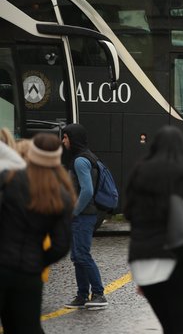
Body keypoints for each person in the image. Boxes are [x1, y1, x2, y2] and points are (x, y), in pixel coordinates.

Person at [124, 126, 183, 334]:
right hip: (178, 261)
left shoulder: (139, 172)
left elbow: (129, 215)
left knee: (170, 327)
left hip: (144, 267)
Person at [0, 133, 75, 333]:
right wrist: (37, 260)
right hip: (29, 273)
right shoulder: (62, 194)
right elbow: (61, 245)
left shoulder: (10, 179)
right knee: (26, 327)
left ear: (31, 155)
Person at [61, 123, 108, 310]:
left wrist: (74, 212)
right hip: (85, 215)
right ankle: (82, 295)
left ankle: (98, 294)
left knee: (82, 255)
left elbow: (87, 190)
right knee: (77, 256)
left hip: (83, 216)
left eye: (65, 137)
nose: (63, 140)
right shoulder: (86, 157)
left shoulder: (80, 161)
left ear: (74, 139)